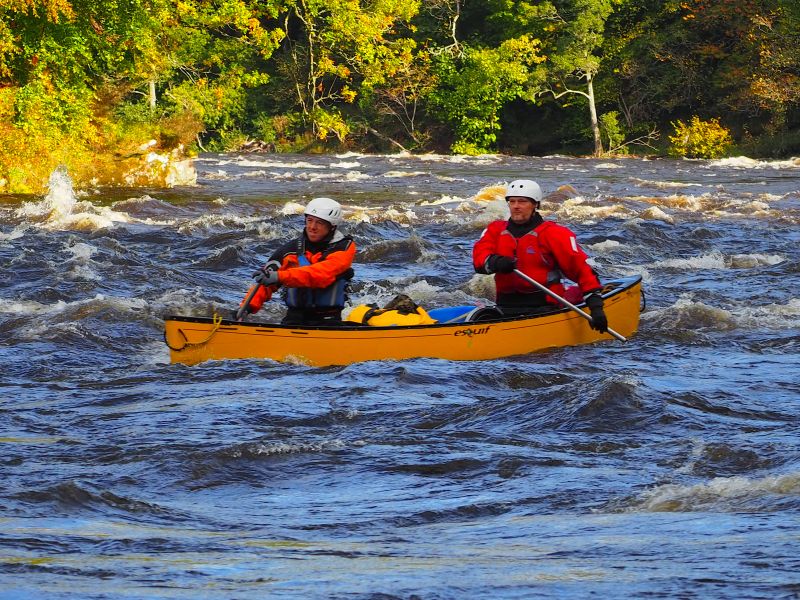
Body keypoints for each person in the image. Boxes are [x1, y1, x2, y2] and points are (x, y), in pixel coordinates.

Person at [472, 179, 608, 332]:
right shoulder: (495, 230)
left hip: (546, 307)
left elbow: (581, 270)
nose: (516, 206)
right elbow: (479, 260)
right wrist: (495, 262)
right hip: (507, 306)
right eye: (512, 201)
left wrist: (596, 308)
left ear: (535, 204)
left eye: (522, 202)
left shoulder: (554, 233)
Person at [238, 197, 356, 325]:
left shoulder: (344, 248)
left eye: (319, 223)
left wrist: (279, 276)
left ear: (332, 227)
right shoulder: (289, 250)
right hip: (295, 317)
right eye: (309, 220)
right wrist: (245, 309)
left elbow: (321, 275)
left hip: (328, 319)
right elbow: (265, 283)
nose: (312, 227)